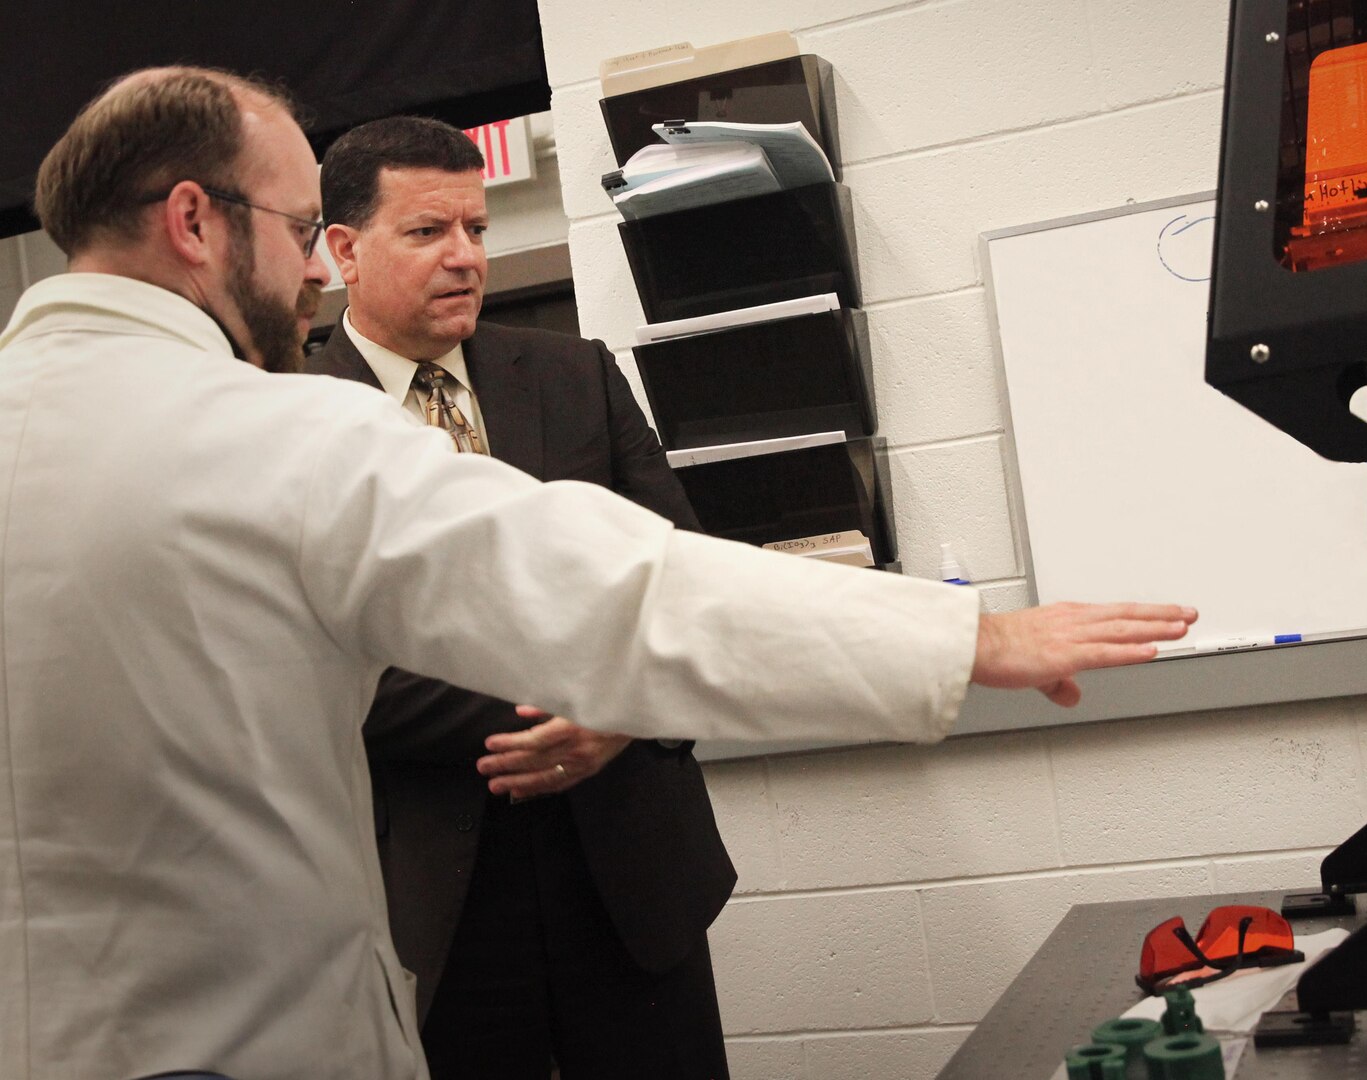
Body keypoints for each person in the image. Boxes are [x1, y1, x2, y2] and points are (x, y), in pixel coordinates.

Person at [0, 66, 1196, 1080]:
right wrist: (968, 641)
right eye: (303, 232)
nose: (311, 273)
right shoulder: (264, 434)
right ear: (197, 222)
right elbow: (609, 589)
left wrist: (617, 718)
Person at [305, 116, 735, 1080]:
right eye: (427, 233)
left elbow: (687, 582)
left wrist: (617, 719)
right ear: (343, 250)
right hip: (425, 888)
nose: (465, 258)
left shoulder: (571, 375)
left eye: (477, 230)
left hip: (628, 869)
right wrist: (568, 700)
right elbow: (321, 659)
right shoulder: (287, 415)